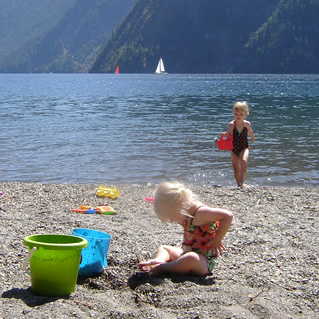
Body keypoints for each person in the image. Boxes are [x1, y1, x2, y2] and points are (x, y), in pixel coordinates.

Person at [138, 181, 233, 276]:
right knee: (164, 248)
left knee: (191, 258)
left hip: (203, 262)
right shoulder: (186, 213)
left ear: (181, 206)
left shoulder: (200, 213)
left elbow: (228, 215)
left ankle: (163, 267)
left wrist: (218, 239)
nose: (171, 221)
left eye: (171, 216)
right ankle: (160, 261)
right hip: (186, 254)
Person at [227, 101, 255, 187]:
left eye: (241, 114)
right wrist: (225, 135)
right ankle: (238, 184)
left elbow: (250, 132)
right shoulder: (232, 124)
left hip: (244, 147)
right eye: (236, 114)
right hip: (234, 148)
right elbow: (229, 136)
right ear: (233, 113)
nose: (238, 116)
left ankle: (243, 182)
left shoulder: (246, 124)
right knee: (235, 166)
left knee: (243, 161)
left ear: (246, 114)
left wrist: (252, 138)